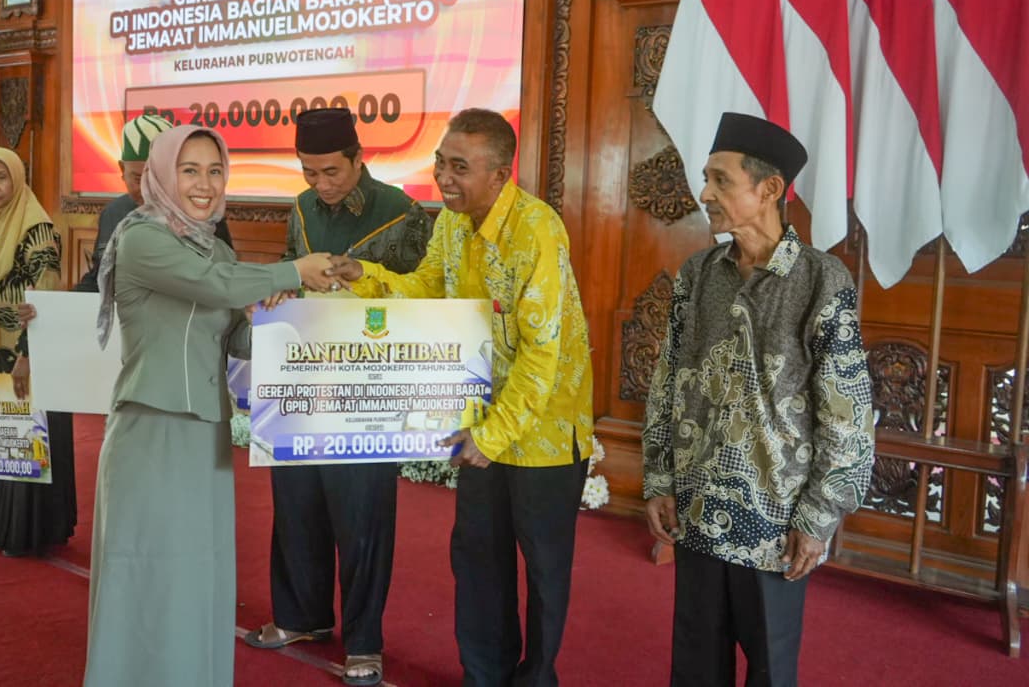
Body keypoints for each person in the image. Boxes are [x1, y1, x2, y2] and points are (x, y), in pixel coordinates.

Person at [328, 108, 595, 687]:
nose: (444, 178)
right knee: (477, 556)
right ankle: (485, 676)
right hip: (478, 420)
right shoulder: (450, 224)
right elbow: (426, 290)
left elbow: (542, 355)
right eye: (440, 163)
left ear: (500, 174)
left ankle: (536, 678)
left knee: (543, 568)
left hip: (543, 431)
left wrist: (493, 436)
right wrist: (362, 276)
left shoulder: (537, 229)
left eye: (459, 168)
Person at [83, 126, 337, 687]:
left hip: (207, 431)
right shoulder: (141, 237)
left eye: (215, 171)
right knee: (147, 567)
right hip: (152, 426)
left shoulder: (216, 247)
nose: (204, 184)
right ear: (162, 174)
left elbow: (232, 337)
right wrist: (291, 271)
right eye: (190, 170)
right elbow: (213, 284)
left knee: (198, 568)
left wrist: (278, 315)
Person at [641, 112, 875, 687]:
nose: (705, 194)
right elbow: (666, 381)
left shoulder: (821, 281)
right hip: (696, 509)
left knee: (770, 667)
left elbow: (847, 413)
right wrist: (659, 478)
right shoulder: (698, 274)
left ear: (769, 189)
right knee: (695, 664)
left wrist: (818, 516)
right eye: (707, 179)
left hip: (775, 522)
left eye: (721, 180)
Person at [244, 108, 432, 687]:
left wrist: (363, 278)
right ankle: (301, 616)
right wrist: (279, 289)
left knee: (362, 515)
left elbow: (425, 298)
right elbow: (289, 272)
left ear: (358, 158)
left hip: (369, 385)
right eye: (309, 172)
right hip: (303, 374)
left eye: (331, 171)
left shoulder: (401, 213)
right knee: (296, 501)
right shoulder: (301, 209)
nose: (320, 184)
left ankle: (364, 641)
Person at [0, 147, 77, 557]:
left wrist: (27, 357)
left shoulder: (38, 229)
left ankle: (30, 531)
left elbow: (43, 300)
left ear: (18, 180)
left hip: (27, 354)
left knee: (28, 435)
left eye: (1, 177)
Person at [74, 112, 231, 293]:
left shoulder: (204, 215)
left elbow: (225, 279)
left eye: (155, 178)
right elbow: (99, 278)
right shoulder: (113, 213)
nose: (146, 188)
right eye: (137, 178)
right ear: (122, 170)